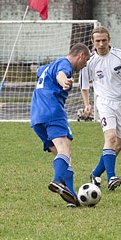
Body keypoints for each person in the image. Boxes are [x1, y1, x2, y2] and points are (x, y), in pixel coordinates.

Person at [80, 26, 121, 191]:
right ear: (93, 42)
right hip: (104, 102)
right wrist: (87, 104)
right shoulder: (89, 61)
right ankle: (111, 177)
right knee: (111, 137)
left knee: (118, 145)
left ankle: (95, 174)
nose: (101, 44)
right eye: (98, 41)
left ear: (109, 40)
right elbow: (84, 85)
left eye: (104, 40)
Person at [30, 43, 91, 207]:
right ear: (80, 55)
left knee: (63, 156)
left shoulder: (47, 67)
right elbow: (61, 74)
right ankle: (57, 181)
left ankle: (70, 195)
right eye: (86, 60)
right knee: (65, 150)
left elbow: (40, 71)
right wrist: (64, 82)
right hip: (53, 112)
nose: (85, 64)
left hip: (36, 117)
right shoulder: (65, 65)